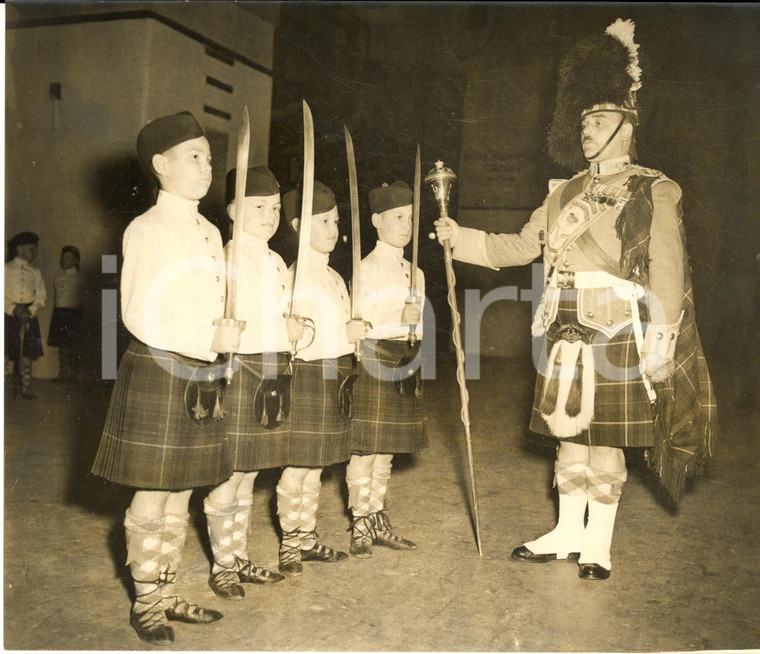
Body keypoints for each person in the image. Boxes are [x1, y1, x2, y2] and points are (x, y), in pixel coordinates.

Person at [435, 19, 716, 580]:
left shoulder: (653, 188)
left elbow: (668, 267)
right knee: (567, 437)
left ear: (628, 126)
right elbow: (519, 245)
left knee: (607, 442)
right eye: (583, 120)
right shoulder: (562, 192)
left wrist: (659, 340)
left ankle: (598, 543)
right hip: (561, 324)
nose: (588, 130)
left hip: (616, 327)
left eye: (600, 120)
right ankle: (566, 531)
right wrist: (460, 238)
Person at [91, 111, 243, 643]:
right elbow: (138, 312)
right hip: (161, 367)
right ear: (160, 165)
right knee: (153, 493)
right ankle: (146, 600)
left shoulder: (209, 230)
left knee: (182, 489)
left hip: (204, 374)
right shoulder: (146, 228)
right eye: (193, 156)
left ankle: (170, 588)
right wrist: (207, 340)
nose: (206, 166)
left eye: (208, 155)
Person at [204, 166, 303, 600]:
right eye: (258, 206)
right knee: (229, 473)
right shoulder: (225, 257)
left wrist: (297, 330)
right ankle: (222, 566)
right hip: (239, 369)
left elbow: (282, 318)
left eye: (276, 207)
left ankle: (237, 554)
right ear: (231, 210)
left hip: (273, 369)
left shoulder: (277, 261)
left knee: (250, 474)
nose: (270, 214)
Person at [275, 181, 370, 576]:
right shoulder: (295, 277)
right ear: (297, 226)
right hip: (308, 375)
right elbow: (298, 339)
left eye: (335, 220)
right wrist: (342, 335)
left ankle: (307, 535)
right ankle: (288, 544)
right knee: (298, 464)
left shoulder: (332, 276)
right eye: (322, 221)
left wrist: (356, 332)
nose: (333, 228)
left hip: (335, 375)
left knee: (316, 466)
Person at [346, 180, 426, 558]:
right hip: (375, 357)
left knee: (387, 449)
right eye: (397, 217)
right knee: (366, 448)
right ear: (377, 220)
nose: (406, 225)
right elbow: (358, 321)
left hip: (406, 358)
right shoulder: (365, 269)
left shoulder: (415, 271)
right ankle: (360, 521)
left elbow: (420, 324)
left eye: (409, 218)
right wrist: (398, 315)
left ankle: (378, 516)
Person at [5, 231, 46, 399]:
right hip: (8, 316)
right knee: (5, 351)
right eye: (31, 249)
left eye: (35, 249)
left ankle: (26, 387)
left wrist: (30, 310)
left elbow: (41, 296)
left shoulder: (35, 272)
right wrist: (13, 308)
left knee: (27, 354)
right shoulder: (6, 269)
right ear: (19, 248)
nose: (34, 253)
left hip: (28, 316)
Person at [47, 245, 87, 383]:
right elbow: (57, 298)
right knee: (62, 347)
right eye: (63, 257)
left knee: (73, 346)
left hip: (74, 314)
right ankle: (63, 374)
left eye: (68, 257)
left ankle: (73, 375)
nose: (64, 260)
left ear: (76, 261)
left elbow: (84, 298)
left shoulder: (80, 278)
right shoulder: (58, 278)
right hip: (60, 313)